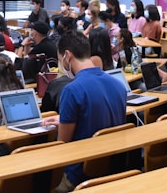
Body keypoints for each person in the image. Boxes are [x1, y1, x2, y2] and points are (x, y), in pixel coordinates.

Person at [42, 31, 126, 192]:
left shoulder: (72, 90)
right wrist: (66, 119)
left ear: (67, 55)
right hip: (112, 169)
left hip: (79, 175)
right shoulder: (118, 84)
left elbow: (63, 145)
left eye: (60, 61)